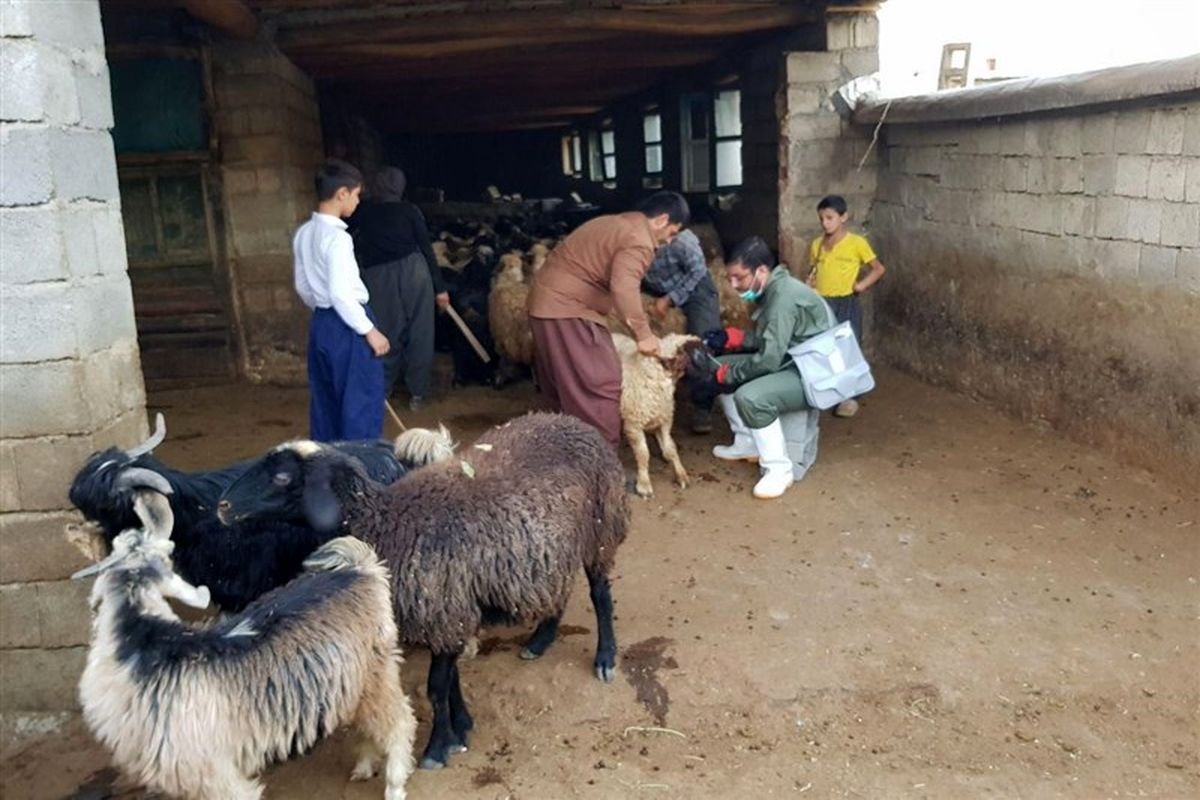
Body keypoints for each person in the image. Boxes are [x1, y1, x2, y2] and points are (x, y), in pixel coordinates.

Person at [527, 191, 689, 451]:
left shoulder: (618, 224)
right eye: (672, 232)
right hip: (568, 310)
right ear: (661, 220)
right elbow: (624, 287)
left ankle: (564, 459)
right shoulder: (639, 240)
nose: (669, 241)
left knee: (564, 386)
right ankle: (601, 468)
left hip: (549, 306)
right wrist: (644, 335)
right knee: (599, 383)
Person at [689, 236, 836, 500]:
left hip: (812, 373)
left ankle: (779, 469)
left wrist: (729, 374)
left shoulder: (783, 298)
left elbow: (769, 359)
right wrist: (735, 338)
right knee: (715, 368)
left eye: (740, 278)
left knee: (750, 396)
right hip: (793, 360)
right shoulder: (774, 290)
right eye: (730, 278)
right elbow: (773, 342)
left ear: (762, 271)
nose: (734, 285)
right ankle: (746, 441)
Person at [293, 159, 390, 442]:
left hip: (322, 324)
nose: (358, 202)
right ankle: (361, 475)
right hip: (348, 324)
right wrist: (369, 330)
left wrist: (325, 312)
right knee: (360, 405)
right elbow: (340, 293)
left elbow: (302, 286)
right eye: (357, 195)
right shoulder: (337, 239)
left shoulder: (304, 233)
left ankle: (327, 472)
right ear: (342, 194)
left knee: (326, 404)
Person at [350, 166, 448, 411]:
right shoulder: (410, 210)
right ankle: (418, 394)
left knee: (385, 331)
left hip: (377, 275)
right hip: (415, 272)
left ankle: (383, 389)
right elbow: (426, 248)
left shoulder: (363, 211)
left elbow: (351, 239)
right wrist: (440, 288)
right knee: (421, 331)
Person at [805, 194, 886, 418]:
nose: (825, 223)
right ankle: (829, 392)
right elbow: (813, 272)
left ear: (844, 217)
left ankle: (849, 398)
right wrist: (809, 284)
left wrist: (861, 285)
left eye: (830, 218)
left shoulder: (856, 243)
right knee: (824, 349)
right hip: (822, 303)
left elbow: (878, 269)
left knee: (848, 349)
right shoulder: (817, 245)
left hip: (846, 301)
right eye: (822, 219)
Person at [642, 225, 722, 433]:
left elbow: (697, 271)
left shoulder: (683, 240)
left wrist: (669, 300)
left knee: (701, 343)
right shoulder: (634, 240)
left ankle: (702, 406)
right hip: (655, 287)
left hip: (695, 287)